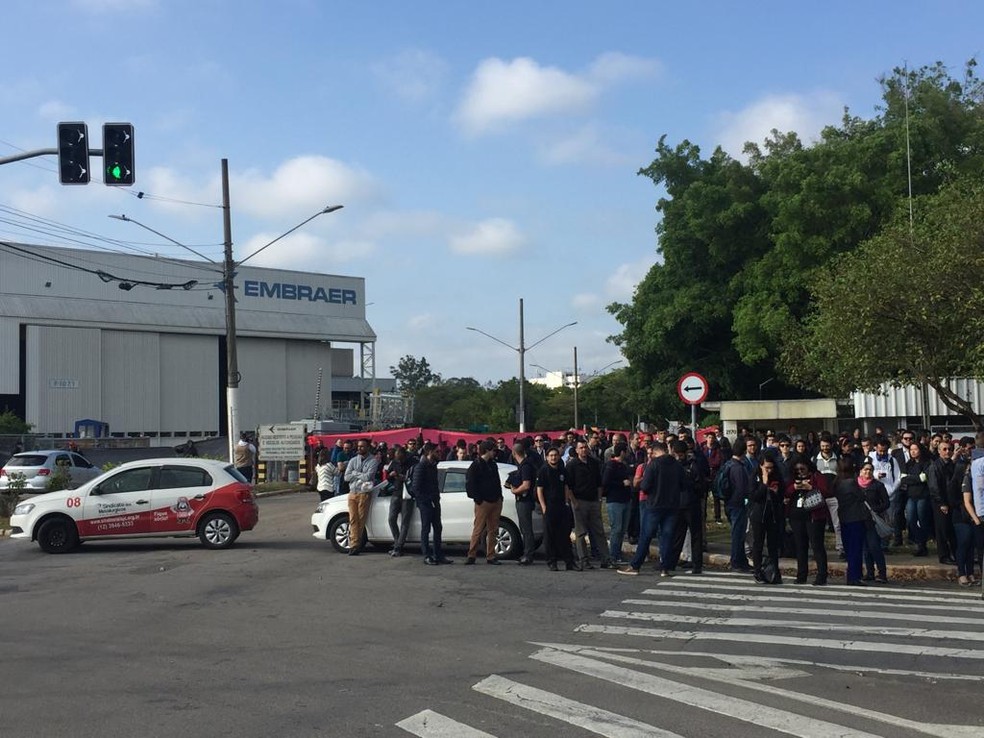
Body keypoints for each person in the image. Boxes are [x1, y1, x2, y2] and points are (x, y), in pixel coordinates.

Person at [618, 441, 682, 577]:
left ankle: (636, 565)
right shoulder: (677, 465)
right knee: (666, 536)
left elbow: (645, 486)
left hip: (654, 504)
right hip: (672, 505)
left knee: (646, 535)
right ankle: (665, 567)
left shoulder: (654, 464)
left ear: (654, 452)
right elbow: (683, 484)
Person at [566, 440, 612, 570]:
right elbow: (568, 486)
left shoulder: (594, 463)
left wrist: (599, 499)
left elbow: (599, 483)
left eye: (585, 447)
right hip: (579, 501)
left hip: (593, 501)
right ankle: (583, 560)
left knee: (599, 531)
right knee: (580, 533)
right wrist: (574, 502)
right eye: (581, 448)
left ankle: (606, 559)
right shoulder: (572, 465)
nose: (584, 450)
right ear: (576, 450)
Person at [784, 459, 831, 585]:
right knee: (800, 547)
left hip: (814, 516)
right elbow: (786, 492)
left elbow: (825, 491)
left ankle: (821, 575)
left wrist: (811, 487)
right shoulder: (793, 478)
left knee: (817, 546)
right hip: (797, 516)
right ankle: (801, 575)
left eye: (802, 469)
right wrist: (794, 487)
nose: (800, 472)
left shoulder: (817, 476)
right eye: (797, 470)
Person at [536, 447, 578, 571]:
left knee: (565, 535)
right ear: (547, 457)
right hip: (549, 506)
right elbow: (540, 490)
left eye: (555, 455)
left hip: (561, 506)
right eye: (551, 455)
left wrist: (566, 502)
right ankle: (552, 561)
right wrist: (543, 506)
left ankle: (569, 562)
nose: (554, 457)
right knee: (550, 536)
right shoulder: (543, 471)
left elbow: (566, 486)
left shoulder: (562, 470)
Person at [464, 440, 503, 565]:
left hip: (495, 500)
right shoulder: (475, 465)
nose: (495, 453)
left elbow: (497, 481)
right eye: (493, 450)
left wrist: (499, 496)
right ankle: (471, 554)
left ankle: (491, 555)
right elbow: (470, 484)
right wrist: (478, 499)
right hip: (483, 502)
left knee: (493, 530)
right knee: (478, 529)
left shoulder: (493, 464)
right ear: (487, 450)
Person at [832, 457, 869, 585]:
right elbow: (861, 496)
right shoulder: (851, 483)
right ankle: (855, 576)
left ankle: (852, 575)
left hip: (844, 517)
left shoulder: (837, 482)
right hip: (855, 517)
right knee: (856, 549)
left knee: (849, 548)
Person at [748, 456, 784, 584]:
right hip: (758, 514)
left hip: (773, 514)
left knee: (773, 545)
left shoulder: (777, 476)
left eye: (771, 468)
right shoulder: (755, 476)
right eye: (766, 468)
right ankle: (758, 571)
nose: (769, 470)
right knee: (758, 543)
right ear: (761, 466)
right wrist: (764, 484)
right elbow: (754, 496)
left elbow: (781, 496)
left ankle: (774, 572)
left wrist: (776, 492)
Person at [414, 443, 451, 565]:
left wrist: (436, 498)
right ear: (429, 452)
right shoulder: (421, 466)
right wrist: (426, 500)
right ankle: (427, 555)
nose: (439, 454)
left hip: (434, 500)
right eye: (436, 452)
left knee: (438, 528)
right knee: (426, 528)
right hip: (425, 503)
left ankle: (438, 554)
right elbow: (416, 488)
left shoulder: (433, 466)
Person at [343, 439, 379, 556]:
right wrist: (358, 475)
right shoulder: (353, 460)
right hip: (352, 492)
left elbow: (368, 477)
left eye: (362, 447)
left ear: (368, 447)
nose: (359, 449)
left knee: (361, 519)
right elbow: (346, 477)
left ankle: (357, 544)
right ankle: (354, 545)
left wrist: (355, 473)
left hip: (364, 493)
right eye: (358, 446)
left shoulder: (373, 461)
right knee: (353, 519)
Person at [725, 437, 755, 572]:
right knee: (738, 534)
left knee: (739, 533)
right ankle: (736, 561)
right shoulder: (738, 467)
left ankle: (741, 561)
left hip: (730, 502)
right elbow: (743, 488)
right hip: (737, 504)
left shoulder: (729, 464)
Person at [857, 458, 890, 582]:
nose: (868, 472)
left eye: (870, 470)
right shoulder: (856, 485)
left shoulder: (878, 485)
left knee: (874, 547)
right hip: (859, 519)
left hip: (873, 520)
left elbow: (886, 503)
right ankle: (870, 573)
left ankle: (882, 574)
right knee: (865, 548)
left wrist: (875, 510)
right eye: (865, 470)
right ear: (860, 471)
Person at [900, 443, 933, 556]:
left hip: (923, 496)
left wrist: (911, 478)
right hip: (911, 496)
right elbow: (903, 479)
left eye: (915, 449)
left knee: (923, 520)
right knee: (910, 520)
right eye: (911, 450)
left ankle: (923, 544)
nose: (913, 451)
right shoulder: (909, 464)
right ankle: (918, 542)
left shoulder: (927, 463)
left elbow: (924, 478)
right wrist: (916, 478)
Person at [509, 442, 539, 565]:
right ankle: (526, 553)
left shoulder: (525, 466)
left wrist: (515, 490)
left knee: (526, 529)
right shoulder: (525, 465)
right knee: (524, 528)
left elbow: (526, 485)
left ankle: (528, 554)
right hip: (525, 500)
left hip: (525, 500)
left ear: (514, 453)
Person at [602, 443, 633, 564]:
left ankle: (618, 553)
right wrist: (621, 483)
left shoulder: (623, 465)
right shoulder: (611, 465)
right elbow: (605, 482)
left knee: (622, 529)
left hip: (625, 499)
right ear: (622, 452)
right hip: (615, 500)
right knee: (616, 528)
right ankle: (613, 555)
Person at [386, 446, 414, 557]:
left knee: (405, 522)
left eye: (401, 458)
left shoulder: (411, 463)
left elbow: (413, 478)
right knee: (391, 519)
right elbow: (388, 478)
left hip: (407, 495)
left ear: (404, 455)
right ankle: (397, 542)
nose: (399, 461)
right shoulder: (394, 463)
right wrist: (391, 475)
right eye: (397, 459)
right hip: (396, 493)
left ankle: (398, 547)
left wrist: (403, 477)